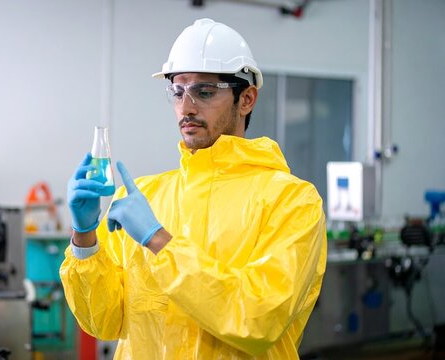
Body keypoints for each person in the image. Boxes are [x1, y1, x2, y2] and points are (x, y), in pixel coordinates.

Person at [60, 18, 327, 359]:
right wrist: (84, 238)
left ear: (246, 99)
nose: (186, 108)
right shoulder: (144, 196)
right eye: (177, 90)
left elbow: (258, 318)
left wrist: (158, 240)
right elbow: (105, 322)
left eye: (204, 92)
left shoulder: (291, 200)